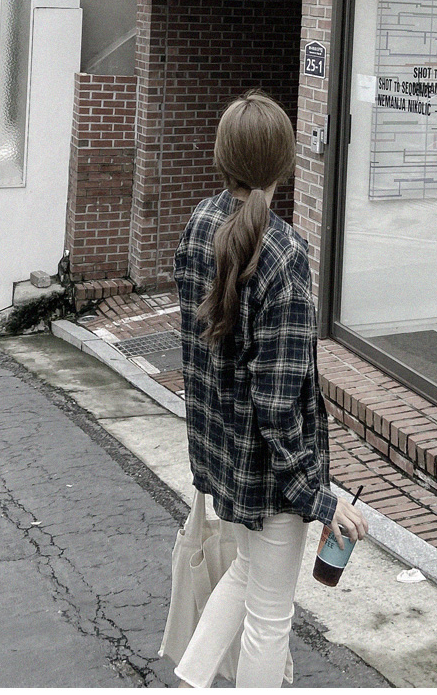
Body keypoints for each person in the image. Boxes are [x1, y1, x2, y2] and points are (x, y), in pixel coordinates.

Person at [172, 90, 368, 688]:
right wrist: (319, 497)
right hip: (271, 477)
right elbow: (279, 406)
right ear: (285, 163)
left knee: (244, 574)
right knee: (269, 618)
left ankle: (189, 678)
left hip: (223, 460)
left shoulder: (199, 224)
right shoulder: (284, 255)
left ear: (221, 157)